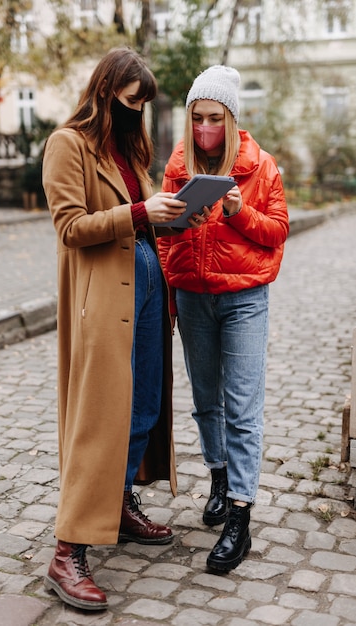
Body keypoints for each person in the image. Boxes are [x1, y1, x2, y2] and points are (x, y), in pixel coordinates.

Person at [41, 48, 192, 611]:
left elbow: (144, 219)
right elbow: (71, 227)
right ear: (105, 93)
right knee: (98, 421)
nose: (137, 114)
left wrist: (177, 214)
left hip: (149, 293)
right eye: (131, 102)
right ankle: (66, 553)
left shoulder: (128, 151)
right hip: (104, 302)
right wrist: (139, 213)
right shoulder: (68, 145)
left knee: (142, 409)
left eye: (143, 106)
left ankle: (121, 503)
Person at [158, 65, 289, 573]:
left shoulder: (261, 166)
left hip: (244, 299)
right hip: (193, 296)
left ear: (231, 118)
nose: (204, 128)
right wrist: (176, 225)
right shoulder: (177, 164)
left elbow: (277, 231)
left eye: (214, 118)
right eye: (197, 118)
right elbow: (161, 233)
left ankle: (239, 514)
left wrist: (238, 212)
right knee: (205, 401)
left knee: (242, 406)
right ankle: (218, 477)